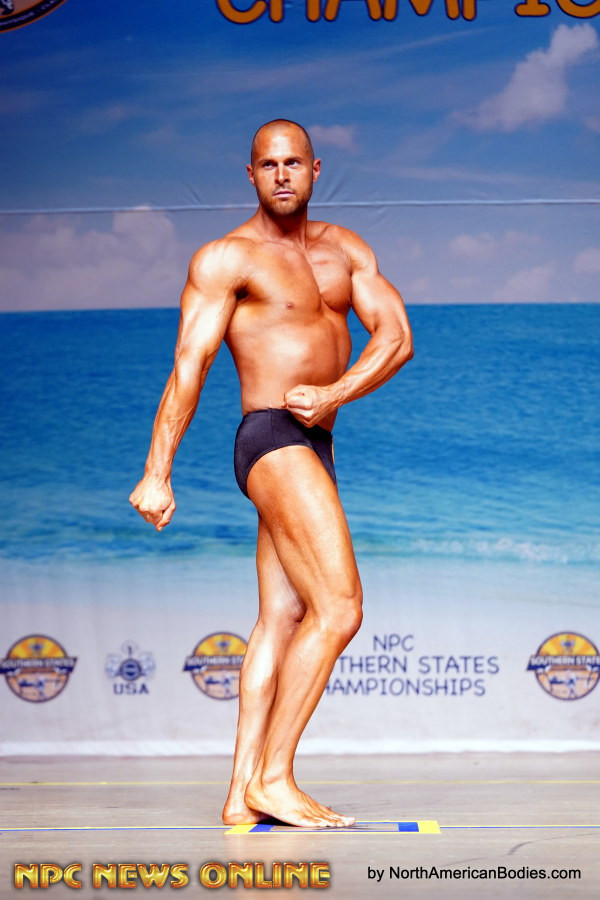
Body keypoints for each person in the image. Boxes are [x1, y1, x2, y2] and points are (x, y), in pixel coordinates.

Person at [129, 119, 413, 828]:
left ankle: (239, 793)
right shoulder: (227, 259)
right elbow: (189, 364)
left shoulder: (347, 251)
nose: (281, 174)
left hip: (316, 442)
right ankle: (275, 779)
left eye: (293, 162)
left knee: (282, 617)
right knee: (340, 609)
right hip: (270, 436)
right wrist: (157, 471)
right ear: (251, 175)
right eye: (268, 164)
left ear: (316, 169)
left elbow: (397, 337)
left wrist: (337, 392)